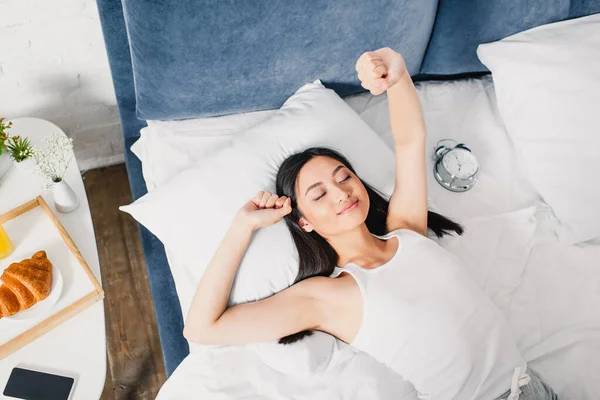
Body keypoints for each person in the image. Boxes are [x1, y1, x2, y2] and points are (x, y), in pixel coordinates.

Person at [183, 47, 558, 400]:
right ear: (304, 222)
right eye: (319, 195)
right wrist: (241, 228)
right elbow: (202, 329)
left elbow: (411, 140)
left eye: (343, 177)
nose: (341, 192)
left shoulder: (407, 232)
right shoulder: (327, 298)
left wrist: (396, 74)